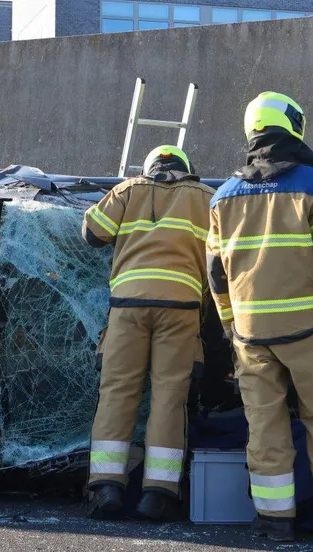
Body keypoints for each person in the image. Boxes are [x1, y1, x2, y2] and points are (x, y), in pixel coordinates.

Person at [207, 91, 313, 544]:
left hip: (250, 336)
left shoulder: (222, 197)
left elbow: (217, 278)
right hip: (309, 333)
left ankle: (274, 522)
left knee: (264, 427)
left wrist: (230, 327)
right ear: (293, 126)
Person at [82, 145, 214, 522]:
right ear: (188, 170)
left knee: (117, 393)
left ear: (149, 168)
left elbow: (92, 233)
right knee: (170, 397)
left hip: (128, 308)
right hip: (182, 309)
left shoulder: (128, 190)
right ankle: (158, 495)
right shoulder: (206, 197)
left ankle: (106, 487)